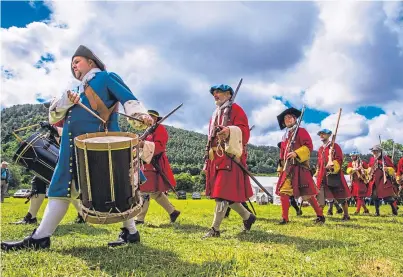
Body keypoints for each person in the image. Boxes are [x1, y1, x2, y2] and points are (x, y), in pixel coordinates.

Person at [1, 45, 153, 251]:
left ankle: (41, 238)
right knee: (61, 188)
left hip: (99, 146)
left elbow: (129, 99)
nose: (74, 67)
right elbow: (54, 115)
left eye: (77, 62)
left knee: (117, 187)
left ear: (91, 62)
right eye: (72, 65)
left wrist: (139, 115)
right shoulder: (77, 91)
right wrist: (64, 101)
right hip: (72, 148)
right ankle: (41, 237)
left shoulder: (106, 77)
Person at [203, 84, 256, 238]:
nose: (215, 95)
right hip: (216, 158)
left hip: (230, 157)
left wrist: (229, 131)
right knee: (226, 194)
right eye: (214, 93)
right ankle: (248, 217)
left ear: (228, 94)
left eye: (218, 92)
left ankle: (215, 229)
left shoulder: (236, 110)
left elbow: (244, 132)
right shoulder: (215, 114)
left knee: (221, 194)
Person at [14, 119, 84, 224]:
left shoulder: (69, 117)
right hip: (53, 160)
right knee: (37, 183)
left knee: (71, 188)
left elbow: (69, 132)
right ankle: (30, 217)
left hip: (67, 160)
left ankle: (83, 215)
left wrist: (53, 128)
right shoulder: (53, 121)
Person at [276, 107, 324, 224]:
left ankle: (320, 216)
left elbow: (308, 147)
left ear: (295, 119)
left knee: (308, 194)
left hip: (300, 167)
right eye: (286, 118)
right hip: (287, 168)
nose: (288, 120)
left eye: (290, 117)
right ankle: (285, 218)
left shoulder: (301, 131)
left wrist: (296, 153)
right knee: (283, 192)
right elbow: (282, 155)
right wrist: (280, 168)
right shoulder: (284, 137)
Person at [133, 110, 180, 224]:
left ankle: (139, 219)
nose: (149, 119)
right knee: (155, 192)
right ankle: (172, 212)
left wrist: (143, 144)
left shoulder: (160, 129)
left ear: (156, 118)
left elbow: (160, 146)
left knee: (144, 191)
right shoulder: (147, 131)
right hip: (147, 164)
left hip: (155, 164)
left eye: (152, 117)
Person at [316, 129, 351, 221]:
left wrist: (332, 164)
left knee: (341, 196)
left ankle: (346, 215)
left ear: (329, 135)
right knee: (320, 196)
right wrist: (318, 171)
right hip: (322, 175)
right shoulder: (320, 149)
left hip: (334, 175)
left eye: (323, 134)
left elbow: (339, 159)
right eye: (320, 134)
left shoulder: (335, 146)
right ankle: (320, 216)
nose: (321, 135)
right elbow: (319, 162)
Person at [366, 145, 398, 216]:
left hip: (383, 180)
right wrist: (369, 170)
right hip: (374, 180)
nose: (374, 152)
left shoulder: (385, 159)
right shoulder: (372, 159)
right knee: (374, 196)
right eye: (373, 151)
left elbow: (392, 169)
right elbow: (369, 167)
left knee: (387, 196)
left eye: (376, 151)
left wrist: (387, 169)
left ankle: (394, 210)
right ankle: (377, 212)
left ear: (380, 151)